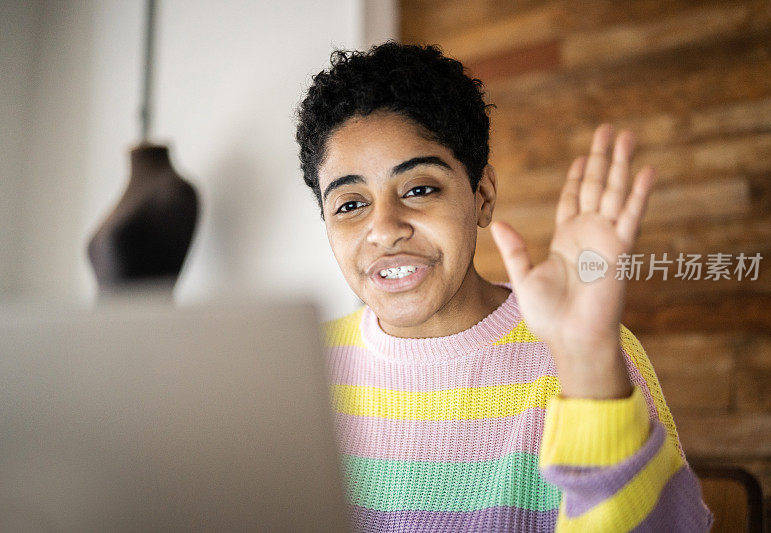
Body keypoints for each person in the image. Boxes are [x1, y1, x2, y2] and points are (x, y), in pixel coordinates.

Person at [295, 41, 713, 532]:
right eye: (350, 204)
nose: (384, 228)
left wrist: (587, 363)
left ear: (482, 196)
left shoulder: (589, 356)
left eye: (419, 189)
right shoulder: (305, 369)